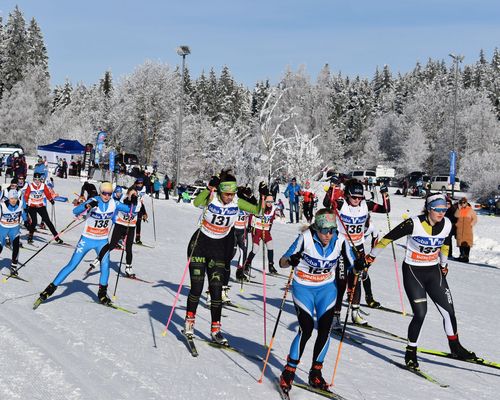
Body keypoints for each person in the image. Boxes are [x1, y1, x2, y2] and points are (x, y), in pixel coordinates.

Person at [365, 193, 477, 368]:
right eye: (438, 209)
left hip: (434, 271)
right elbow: (387, 239)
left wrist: (444, 264)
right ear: (428, 209)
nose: (442, 213)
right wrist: (370, 258)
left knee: (449, 312)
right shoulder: (414, 223)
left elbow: (445, 245)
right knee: (420, 313)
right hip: (413, 271)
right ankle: (411, 352)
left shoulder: (447, 224)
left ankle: (455, 347)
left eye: (444, 209)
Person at [278, 208, 359, 394]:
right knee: (306, 329)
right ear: (316, 227)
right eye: (324, 230)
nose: (328, 234)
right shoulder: (305, 238)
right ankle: (289, 372)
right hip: (303, 287)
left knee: (325, 330)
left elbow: (354, 266)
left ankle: (316, 373)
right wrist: (291, 260)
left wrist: (359, 266)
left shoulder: (340, 240)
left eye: (332, 229)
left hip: (326, 289)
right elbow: (282, 262)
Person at [183, 170, 263, 345]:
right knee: (197, 288)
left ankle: (216, 330)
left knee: (216, 290)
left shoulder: (236, 201)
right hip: (199, 245)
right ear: (220, 191)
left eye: (232, 194)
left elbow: (258, 211)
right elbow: (196, 202)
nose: (229, 197)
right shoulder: (212, 197)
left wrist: (262, 196)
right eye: (227, 193)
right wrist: (209, 187)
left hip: (218, 248)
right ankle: (189, 323)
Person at [33, 182, 133, 308]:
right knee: (72, 265)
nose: (106, 196)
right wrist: (87, 205)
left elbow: (132, 210)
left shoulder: (115, 203)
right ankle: (49, 289)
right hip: (87, 239)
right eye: (104, 193)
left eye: (109, 194)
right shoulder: (93, 200)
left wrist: (133, 200)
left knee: (105, 265)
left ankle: (102, 293)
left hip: (102, 241)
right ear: (100, 192)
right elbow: (75, 211)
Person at [323, 179, 390, 326]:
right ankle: (335, 316)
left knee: (356, 279)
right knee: (341, 282)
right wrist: (332, 188)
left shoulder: (367, 205)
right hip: (341, 247)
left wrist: (385, 193)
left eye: (360, 197)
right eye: (354, 197)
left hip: (358, 247)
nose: (357, 200)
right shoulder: (342, 204)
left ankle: (355, 313)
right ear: (347, 195)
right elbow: (326, 203)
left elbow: (386, 209)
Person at [89, 186, 141, 278]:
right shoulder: (122, 199)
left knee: (128, 248)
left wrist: (135, 201)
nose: (134, 195)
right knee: (112, 245)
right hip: (120, 225)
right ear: (128, 194)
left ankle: (128, 268)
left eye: (135, 194)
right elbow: (119, 204)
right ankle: (99, 258)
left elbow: (137, 208)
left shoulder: (138, 202)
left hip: (131, 226)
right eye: (132, 194)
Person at [243, 193, 278, 275]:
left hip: (265, 230)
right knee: (256, 248)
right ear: (265, 201)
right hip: (257, 230)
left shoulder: (273, 209)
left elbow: (271, 219)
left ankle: (271, 265)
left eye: (271, 202)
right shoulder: (260, 208)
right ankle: (247, 264)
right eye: (268, 202)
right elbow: (251, 215)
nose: (269, 203)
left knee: (270, 245)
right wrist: (249, 226)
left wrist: (270, 228)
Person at [24, 172, 62, 244]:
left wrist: (51, 200)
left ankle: (56, 237)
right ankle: (30, 236)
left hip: (41, 206)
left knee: (48, 221)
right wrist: (25, 204)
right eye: (36, 179)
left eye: (39, 179)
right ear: (33, 179)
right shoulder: (30, 186)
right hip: (32, 206)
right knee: (34, 222)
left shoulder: (43, 186)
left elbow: (47, 193)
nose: (37, 181)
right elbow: (26, 196)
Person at [0, 190, 28, 276]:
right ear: (9, 198)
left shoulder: (19, 204)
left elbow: (23, 213)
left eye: (15, 198)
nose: (14, 200)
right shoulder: (3, 206)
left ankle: (13, 267)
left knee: (16, 246)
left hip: (14, 228)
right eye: (12, 198)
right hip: (3, 228)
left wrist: (26, 222)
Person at [234, 186, 254, 282]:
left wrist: (251, 195)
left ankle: (240, 272)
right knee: (231, 252)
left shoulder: (247, 202)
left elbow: (255, 209)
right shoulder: (236, 201)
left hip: (243, 230)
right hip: (232, 230)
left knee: (244, 251)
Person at [454, 197, 477, 263]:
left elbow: (475, 219)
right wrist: (458, 208)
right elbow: (456, 216)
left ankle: (466, 257)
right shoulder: (459, 209)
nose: (462, 204)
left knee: (467, 243)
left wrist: (471, 224)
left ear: (466, 203)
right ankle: (461, 256)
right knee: (460, 242)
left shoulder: (470, 210)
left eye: (464, 202)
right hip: (460, 229)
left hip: (467, 229)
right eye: (461, 202)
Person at [133, 178, 148, 244]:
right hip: (133, 207)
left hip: (139, 206)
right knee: (131, 223)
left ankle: (138, 239)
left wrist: (144, 213)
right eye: (139, 183)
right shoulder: (133, 188)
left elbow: (141, 202)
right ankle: (124, 237)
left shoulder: (144, 188)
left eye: (141, 183)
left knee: (138, 223)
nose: (140, 184)